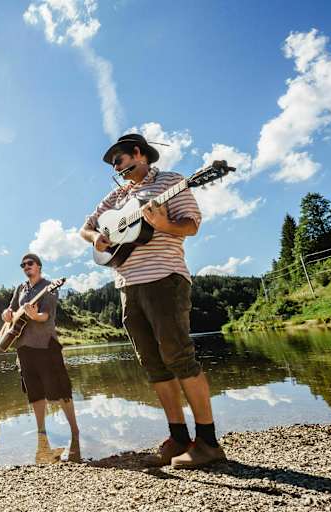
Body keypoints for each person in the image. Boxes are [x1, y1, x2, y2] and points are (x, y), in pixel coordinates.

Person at [80, 134, 225, 469]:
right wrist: (98, 239)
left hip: (164, 278)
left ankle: (208, 442)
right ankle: (178, 437)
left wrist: (162, 224)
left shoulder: (172, 181)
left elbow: (191, 225)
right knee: (153, 364)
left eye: (117, 160)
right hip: (128, 285)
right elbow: (85, 229)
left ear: (137, 153)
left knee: (178, 356)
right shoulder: (116, 197)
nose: (115, 168)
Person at [2, 253, 80, 459]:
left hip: (46, 345)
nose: (26, 267)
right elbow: (11, 309)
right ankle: (41, 431)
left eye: (30, 263)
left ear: (39, 266)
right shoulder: (20, 288)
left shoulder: (49, 288)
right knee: (34, 392)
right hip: (23, 347)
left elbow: (47, 315)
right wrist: (7, 314)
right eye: (23, 265)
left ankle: (75, 433)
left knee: (61, 389)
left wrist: (36, 316)